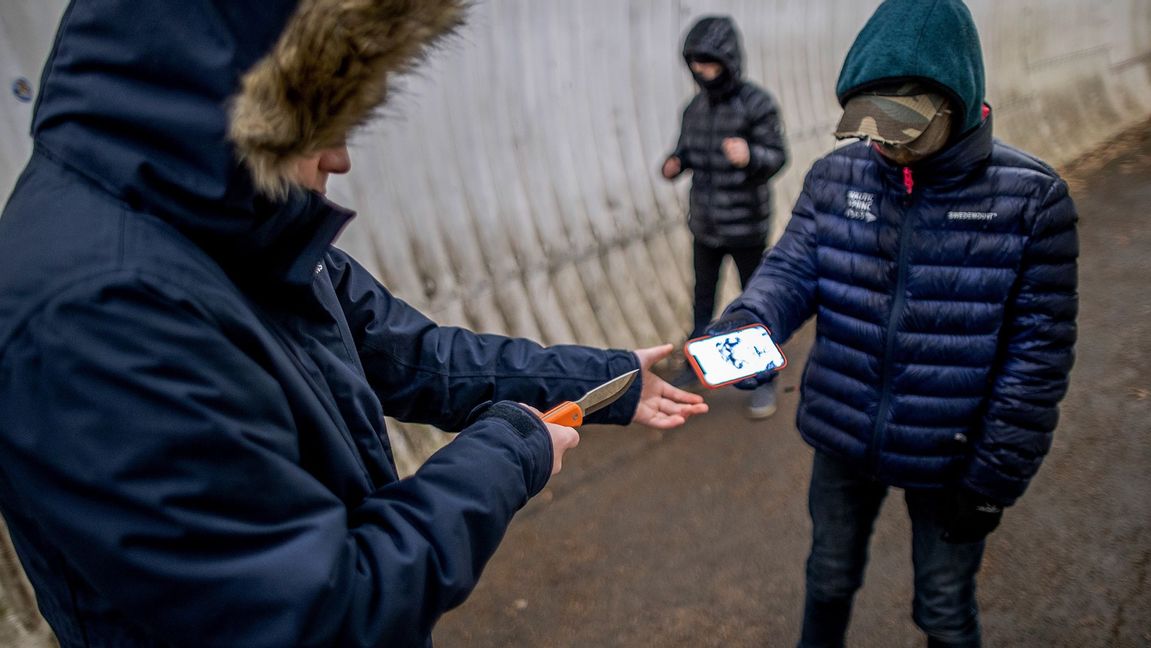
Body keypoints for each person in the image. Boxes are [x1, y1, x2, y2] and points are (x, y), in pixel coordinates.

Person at [0, 1, 708, 646]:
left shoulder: (226, 224)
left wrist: (601, 379)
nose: (339, 157)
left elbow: (415, 355)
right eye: (320, 123)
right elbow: (320, 614)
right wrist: (513, 449)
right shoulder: (96, 312)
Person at [709, 1, 1078, 646]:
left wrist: (993, 479)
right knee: (826, 579)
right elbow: (790, 273)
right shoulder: (835, 178)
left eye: (904, 123)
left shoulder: (1031, 201)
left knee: (943, 607)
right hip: (843, 429)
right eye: (867, 120)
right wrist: (742, 331)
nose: (882, 139)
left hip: (954, 457)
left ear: (956, 102)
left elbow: (1037, 360)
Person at [661, 15, 789, 419]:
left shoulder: (758, 103)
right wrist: (676, 162)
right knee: (703, 298)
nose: (701, 70)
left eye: (708, 61)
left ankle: (763, 379)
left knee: (755, 301)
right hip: (706, 224)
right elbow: (686, 150)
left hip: (746, 225)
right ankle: (696, 364)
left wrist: (751, 156)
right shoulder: (694, 108)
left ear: (728, 60)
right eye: (695, 62)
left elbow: (777, 156)